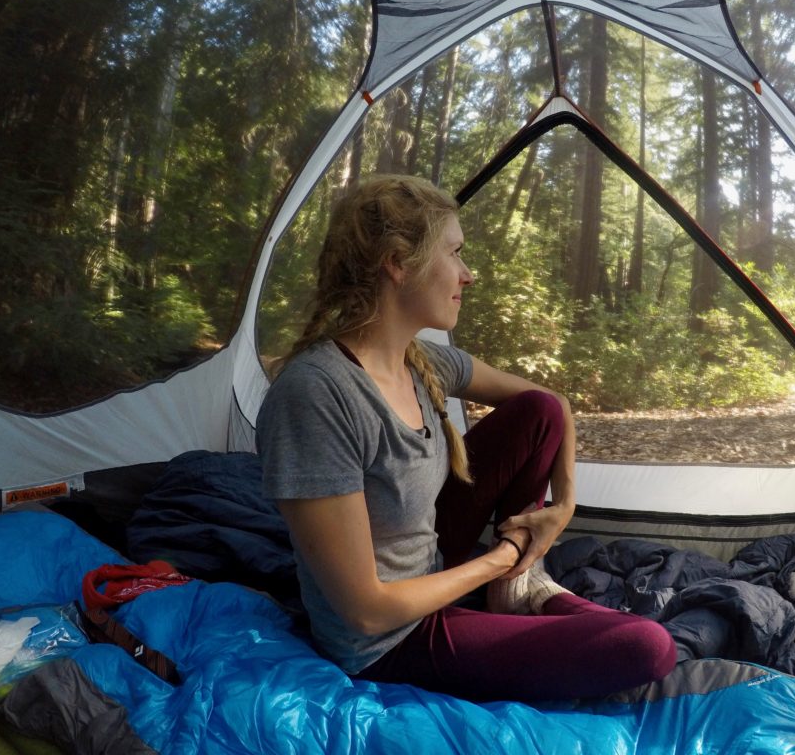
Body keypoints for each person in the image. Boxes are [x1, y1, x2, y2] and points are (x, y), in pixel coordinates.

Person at [256, 175, 676, 702]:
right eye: (454, 253)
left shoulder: (421, 360)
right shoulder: (317, 395)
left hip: (435, 564)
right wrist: (501, 557)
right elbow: (365, 610)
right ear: (398, 263)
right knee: (648, 648)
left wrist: (562, 507)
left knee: (537, 410)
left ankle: (518, 587)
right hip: (387, 640)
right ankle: (520, 580)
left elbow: (556, 407)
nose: (467, 274)